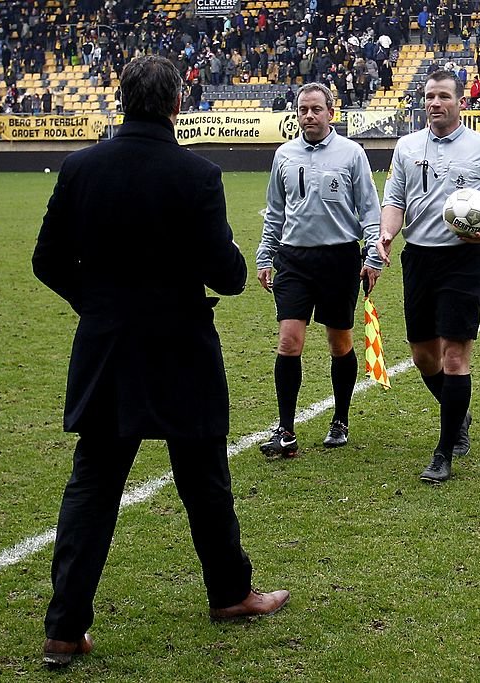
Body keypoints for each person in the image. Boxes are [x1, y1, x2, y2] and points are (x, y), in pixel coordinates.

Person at [31, 56, 289, 668]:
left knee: (92, 486)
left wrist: (95, 305)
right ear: (178, 104)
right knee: (204, 477)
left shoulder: (80, 168)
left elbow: (46, 261)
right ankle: (230, 594)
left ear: (122, 100)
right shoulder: (196, 174)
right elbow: (228, 277)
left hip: (107, 347)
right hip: (180, 346)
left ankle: (64, 629)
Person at [377, 69, 480, 483]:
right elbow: (394, 200)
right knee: (424, 357)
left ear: (461, 102)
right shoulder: (406, 146)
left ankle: (443, 450)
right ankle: (460, 414)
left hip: (463, 260)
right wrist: (386, 232)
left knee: (455, 357)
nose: (435, 103)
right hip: (418, 259)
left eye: (443, 97)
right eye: (429, 96)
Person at [255, 82, 383, 458]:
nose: (308, 116)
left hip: (339, 259)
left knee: (339, 343)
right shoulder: (284, 155)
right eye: (302, 109)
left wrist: (372, 257)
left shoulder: (352, 154)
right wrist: (266, 254)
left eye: (315, 109)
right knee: (289, 341)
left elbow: (370, 210)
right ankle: (286, 431)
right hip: (293, 259)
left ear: (331, 111)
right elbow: (275, 211)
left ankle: (340, 419)